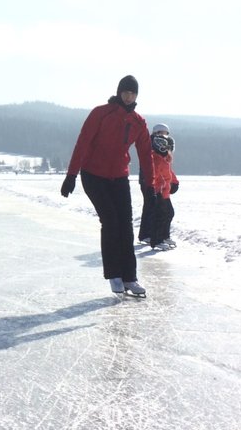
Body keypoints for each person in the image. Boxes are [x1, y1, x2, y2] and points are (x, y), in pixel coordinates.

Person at [60, 75, 154, 297]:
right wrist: (71, 175)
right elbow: (82, 142)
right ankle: (114, 274)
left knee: (126, 225)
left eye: (133, 93)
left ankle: (130, 277)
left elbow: (145, 155)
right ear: (119, 92)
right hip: (94, 175)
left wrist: (150, 186)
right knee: (111, 222)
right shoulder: (101, 113)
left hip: (119, 177)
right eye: (126, 92)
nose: (129, 97)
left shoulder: (138, 122)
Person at [149, 123, 179, 251]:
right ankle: (157, 240)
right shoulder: (154, 156)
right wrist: (158, 186)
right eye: (160, 133)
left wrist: (175, 182)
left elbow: (169, 172)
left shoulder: (165, 158)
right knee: (161, 214)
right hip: (159, 190)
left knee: (169, 213)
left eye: (165, 134)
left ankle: (164, 236)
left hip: (165, 190)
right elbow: (155, 173)